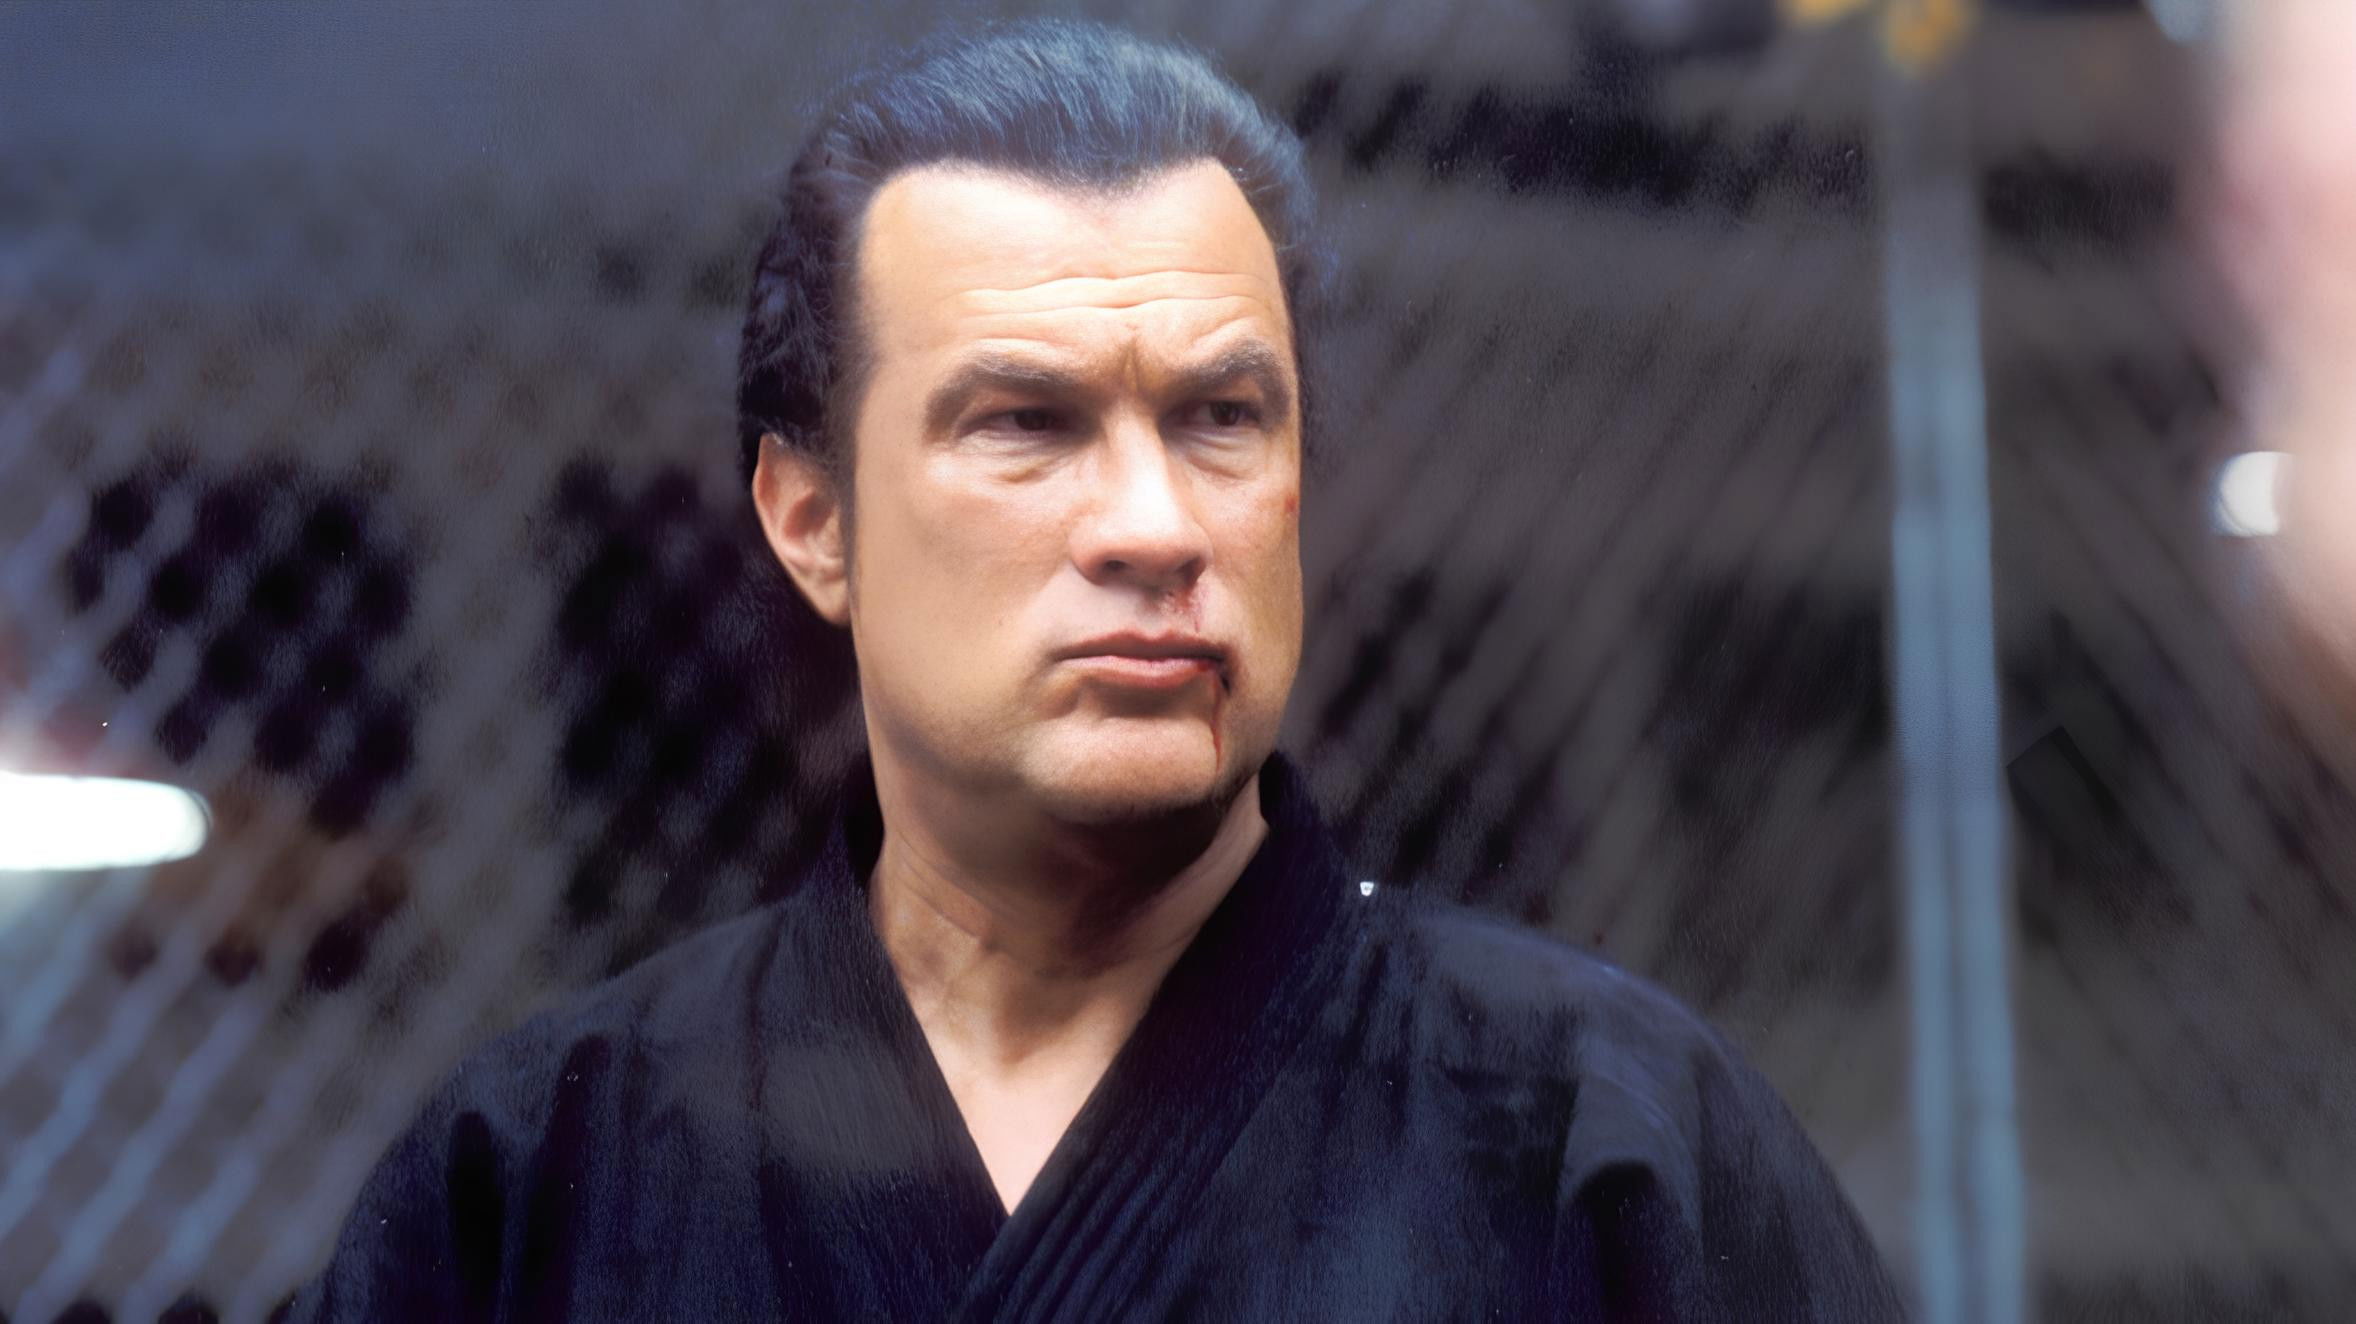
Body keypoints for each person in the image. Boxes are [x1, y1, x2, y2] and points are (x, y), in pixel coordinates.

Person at [290, 19, 1903, 1321]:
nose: (1154, 524)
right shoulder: (543, 1177)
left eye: (1221, 418)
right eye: (1026, 423)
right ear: (812, 521)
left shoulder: (1605, 1144)